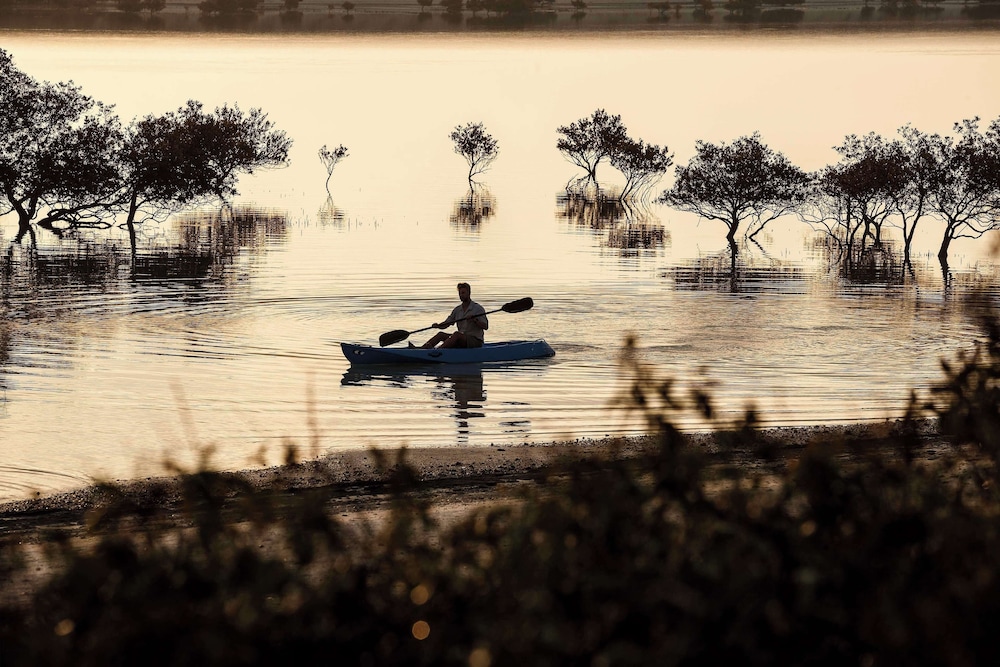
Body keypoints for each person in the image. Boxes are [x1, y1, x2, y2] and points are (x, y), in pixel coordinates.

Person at [414, 282, 489, 349]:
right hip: (461, 339)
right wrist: (438, 325)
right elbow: (447, 323)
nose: (461, 295)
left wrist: (475, 320)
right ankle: (421, 349)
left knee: (456, 334)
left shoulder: (477, 308)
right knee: (441, 334)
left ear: (469, 293)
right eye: (460, 293)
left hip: (475, 341)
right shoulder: (457, 310)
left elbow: (485, 326)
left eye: (463, 293)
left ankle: (438, 351)